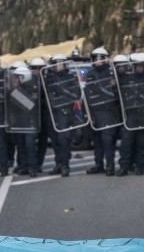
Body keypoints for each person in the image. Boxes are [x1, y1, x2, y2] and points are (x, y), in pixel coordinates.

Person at [83, 47, 118, 177]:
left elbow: (116, 92)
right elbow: (87, 92)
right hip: (94, 110)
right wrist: (87, 111)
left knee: (107, 140)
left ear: (105, 59)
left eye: (100, 58)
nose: (97, 60)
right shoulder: (90, 73)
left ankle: (110, 166)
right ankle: (99, 164)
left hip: (108, 110)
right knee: (97, 140)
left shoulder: (111, 72)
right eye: (95, 58)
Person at [41, 54, 76, 176]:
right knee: (55, 140)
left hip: (64, 112)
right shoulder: (48, 79)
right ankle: (59, 163)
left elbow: (75, 95)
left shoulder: (70, 78)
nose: (58, 67)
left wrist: (61, 91)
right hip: (52, 113)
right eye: (56, 64)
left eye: (60, 64)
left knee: (63, 139)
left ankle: (65, 165)